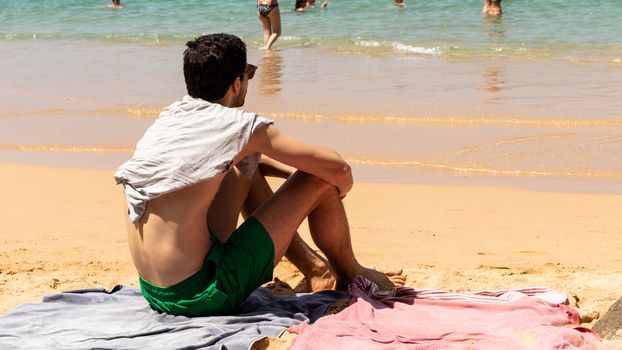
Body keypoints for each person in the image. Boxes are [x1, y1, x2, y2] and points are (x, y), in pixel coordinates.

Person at [114, 33, 405, 317]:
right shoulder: (238, 126)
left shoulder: (172, 117)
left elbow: (245, 162)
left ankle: (315, 271)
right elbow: (339, 169)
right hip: (202, 294)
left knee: (247, 168)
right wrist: (325, 188)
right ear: (237, 82)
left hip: (155, 289)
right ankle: (351, 273)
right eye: (249, 73)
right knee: (319, 180)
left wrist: (293, 176)